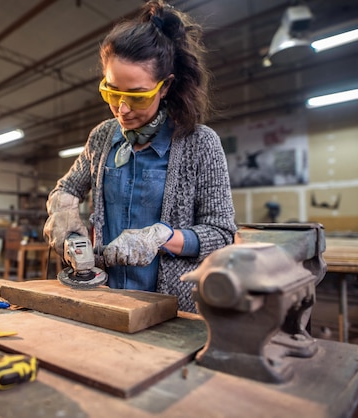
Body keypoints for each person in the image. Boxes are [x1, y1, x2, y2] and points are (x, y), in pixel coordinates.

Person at [43, 0, 236, 312]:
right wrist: (63, 213)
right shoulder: (103, 136)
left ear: (165, 87)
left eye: (136, 96)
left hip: (171, 310)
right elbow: (65, 189)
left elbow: (222, 234)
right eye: (112, 92)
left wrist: (160, 237)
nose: (122, 109)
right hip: (102, 298)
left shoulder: (200, 144)